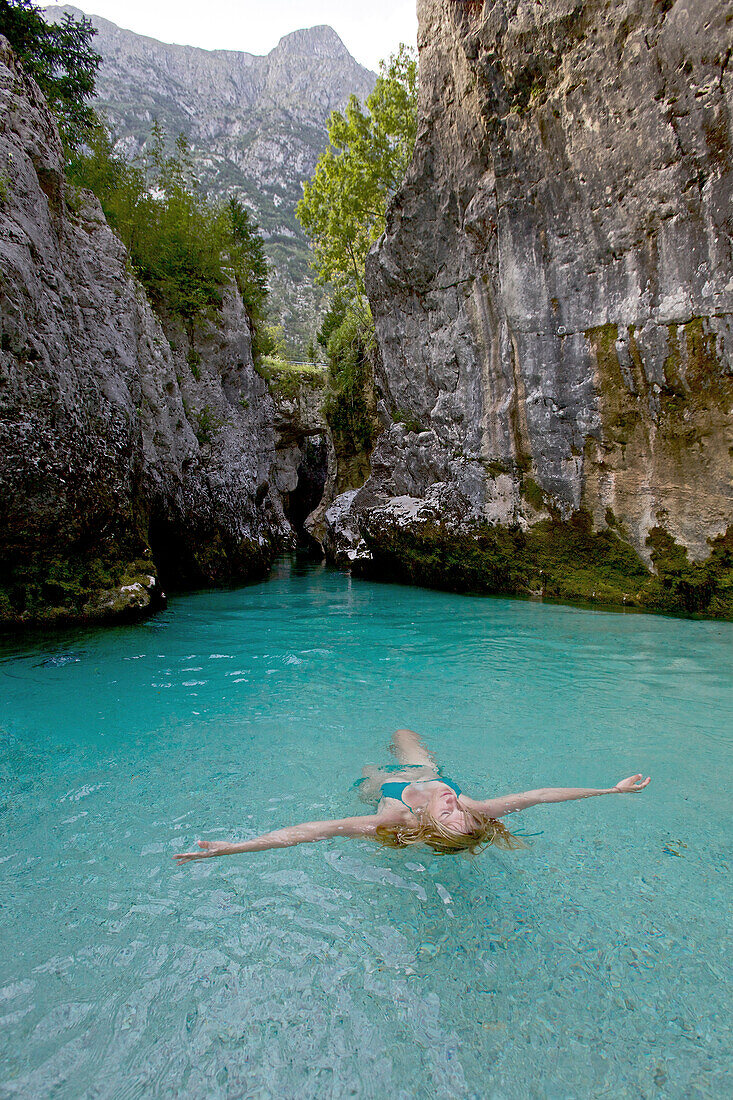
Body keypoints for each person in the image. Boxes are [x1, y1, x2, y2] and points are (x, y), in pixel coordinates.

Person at [173, 728, 651, 863]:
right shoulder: (471, 807)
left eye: (450, 814)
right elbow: (542, 794)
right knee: (406, 734)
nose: (453, 805)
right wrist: (610, 790)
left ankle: (371, 768)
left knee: (370, 771)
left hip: (387, 788)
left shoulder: (396, 821)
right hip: (423, 770)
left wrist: (236, 847)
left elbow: (313, 832)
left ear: (428, 826)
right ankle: (399, 749)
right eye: (458, 811)